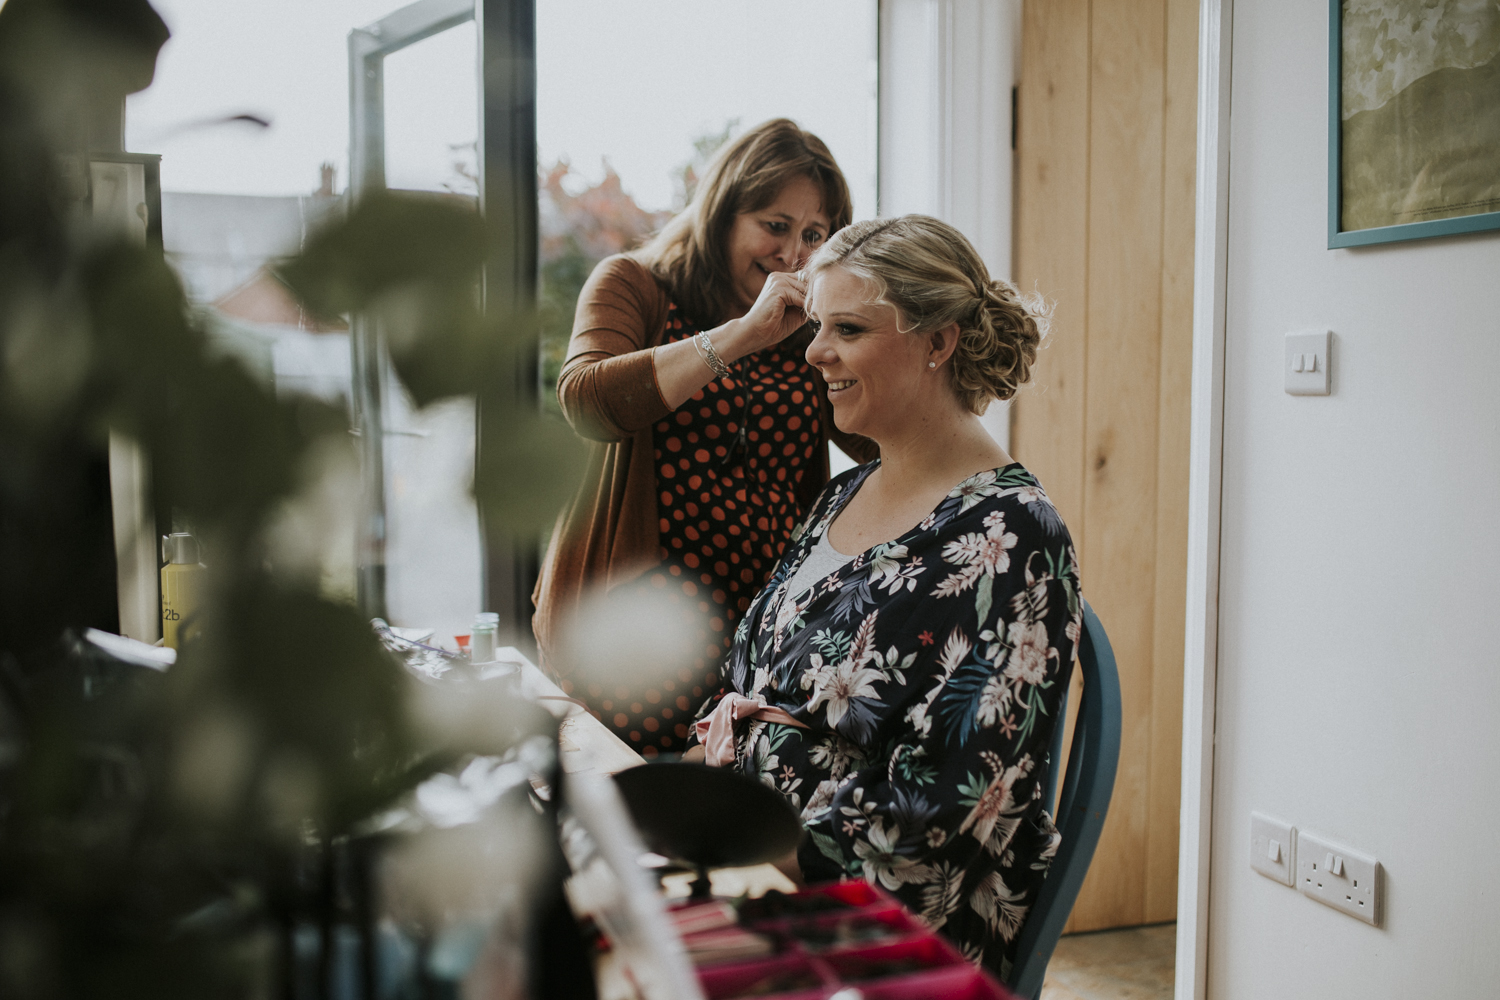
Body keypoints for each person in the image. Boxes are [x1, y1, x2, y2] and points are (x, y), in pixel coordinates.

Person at [686, 215, 1080, 976]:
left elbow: (936, 810)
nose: (814, 351)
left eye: (850, 329)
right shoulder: (844, 494)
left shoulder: (1013, 537)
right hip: (745, 867)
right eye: (817, 324)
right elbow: (751, 682)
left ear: (940, 342)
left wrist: (742, 877)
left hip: (862, 931)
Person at [534, 119, 877, 755]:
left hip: (761, 639)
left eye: (813, 234)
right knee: (628, 813)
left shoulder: (814, 330)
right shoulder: (631, 286)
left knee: (726, 825)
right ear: (720, 214)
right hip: (633, 626)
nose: (793, 253)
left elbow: (883, 442)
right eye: (774, 226)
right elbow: (587, 402)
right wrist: (743, 334)